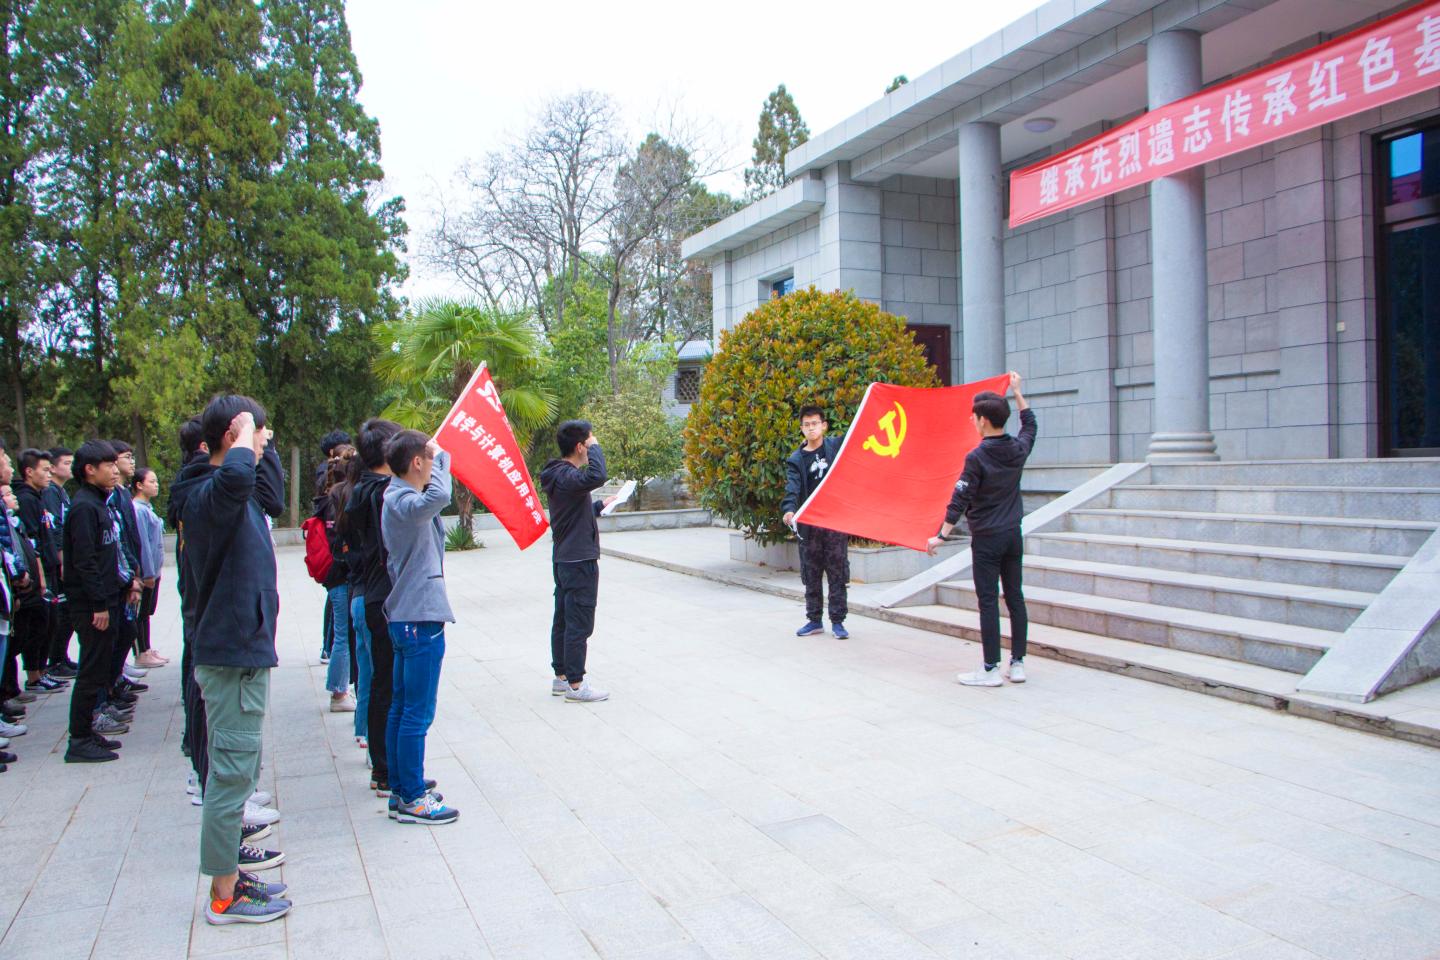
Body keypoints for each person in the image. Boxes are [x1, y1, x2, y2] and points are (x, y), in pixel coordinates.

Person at [176, 396, 292, 924]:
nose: (264, 443)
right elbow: (238, 476)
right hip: (229, 656)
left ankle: (231, 876)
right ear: (234, 435)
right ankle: (224, 896)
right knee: (229, 776)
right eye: (258, 434)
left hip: (240, 650)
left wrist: (252, 440)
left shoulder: (227, 491)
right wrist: (246, 432)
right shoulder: (207, 493)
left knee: (239, 771)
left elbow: (267, 492)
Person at [927, 372, 1037, 687]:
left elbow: (960, 498)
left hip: (987, 539)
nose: (972, 421)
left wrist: (942, 535)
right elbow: (1030, 426)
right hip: (1012, 534)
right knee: (1015, 597)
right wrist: (1018, 392)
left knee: (988, 600)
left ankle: (990, 668)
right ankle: (1017, 663)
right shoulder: (1017, 449)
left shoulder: (977, 457)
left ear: (984, 421)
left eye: (974, 417)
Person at [380, 430, 458, 824]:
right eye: (428, 460)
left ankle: (402, 786)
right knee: (416, 712)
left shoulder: (397, 498)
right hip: (418, 618)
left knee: (402, 708)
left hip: (407, 616)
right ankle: (412, 797)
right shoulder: (405, 501)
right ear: (417, 462)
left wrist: (436, 457)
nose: (433, 466)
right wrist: (442, 455)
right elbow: (440, 496)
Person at [344, 418, 402, 793]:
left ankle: (384, 765)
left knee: (381, 681)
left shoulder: (360, 490)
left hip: (367, 594)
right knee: (387, 685)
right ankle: (385, 769)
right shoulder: (383, 494)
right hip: (382, 598)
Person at [540, 420, 615, 703]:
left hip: (566, 558)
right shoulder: (567, 475)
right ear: (580, 446)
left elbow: (571, 513)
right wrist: (596, 446)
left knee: (563, 618)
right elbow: (598, 475)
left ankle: (561, 677)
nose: (592, 446)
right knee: (578, 622)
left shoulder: (559, 475)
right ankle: (575, 684)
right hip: (579, 560)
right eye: (589, 442)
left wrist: (599, 506)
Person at [61, 440, 126, 763]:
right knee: (90, 671)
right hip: (91, 606)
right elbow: (84, 561)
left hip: (107, 599)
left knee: (99, 669)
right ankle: (78, 739)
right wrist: (99, 604)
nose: (115, 471)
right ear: (89, 470)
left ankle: (87, 731)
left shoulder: (99, 503)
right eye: (108, 465)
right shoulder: (84, 507)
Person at [780, 407, 850, 640]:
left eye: (815, 423)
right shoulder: (796, 459)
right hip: (809, 527)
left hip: (834, 523)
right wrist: (789, 510)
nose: (811, 428)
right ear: (802, 429)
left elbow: (858, 435)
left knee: (837, 573)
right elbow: (792, 487)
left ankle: (838, 622)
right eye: (807, 425)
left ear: (824, 425)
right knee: (811, 574)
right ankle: (814, 620)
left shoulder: (835, 447)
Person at [15, 450, 68, 694]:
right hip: (40, 572)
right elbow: (31, 540)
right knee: (39, 623)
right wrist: (42, 577)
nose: (49, 474)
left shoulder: (38, 497)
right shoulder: (26, 500)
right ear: (29, 472)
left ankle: (42, 671)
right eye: (44, 470)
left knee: (49, 621)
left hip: (49, 567)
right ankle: (34, 675)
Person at [314, 447, 355, 712]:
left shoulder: (325, 500)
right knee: (344, 636)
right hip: (342, 574)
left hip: (332, 574)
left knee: (341, 633)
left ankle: (338, 687)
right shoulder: (343, 500)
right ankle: (339, 693)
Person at [315, 429, 352, 663]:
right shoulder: (337, 496)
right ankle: (328, 648)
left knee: (336, 608)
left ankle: (327, 647)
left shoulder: (326, 490)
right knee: (342, 633)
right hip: (338, 564)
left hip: (334, 564)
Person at [43, 446, 77, 677]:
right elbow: (55, 528)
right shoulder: (50, 493)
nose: (70, 467)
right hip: (57, 563)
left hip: (66, 559)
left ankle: (62, 656)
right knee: (63, 612)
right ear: (53, 468)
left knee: (68, 612)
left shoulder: (61, 492)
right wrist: (63, 559)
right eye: (66, 463)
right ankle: (54, 660)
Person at [130, 467, 168, 668]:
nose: (156, 485)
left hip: (154, 570)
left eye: (156, 481)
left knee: (146, 612)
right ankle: (141, 652)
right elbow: (143, 543)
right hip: (147, 572)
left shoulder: (146, 508)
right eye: (151, 482)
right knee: (140, 612)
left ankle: (147, 648)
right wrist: (148, 572)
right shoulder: (138, 510)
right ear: (139, 485)